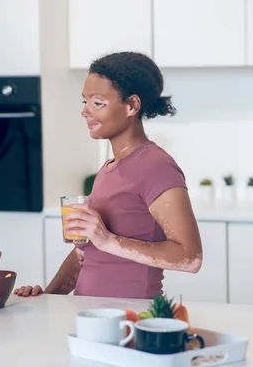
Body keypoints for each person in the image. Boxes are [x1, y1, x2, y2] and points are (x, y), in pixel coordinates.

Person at [14, 51, 203, 299]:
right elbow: (85, 253)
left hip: (129, 320)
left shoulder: (155, 166)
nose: (86, 112)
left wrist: (108, 241)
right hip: (89, 316)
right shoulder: (109, 168)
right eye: (85, 102)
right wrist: (48, 298)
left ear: (132, 105)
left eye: (98, 103)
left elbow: (190, 258)